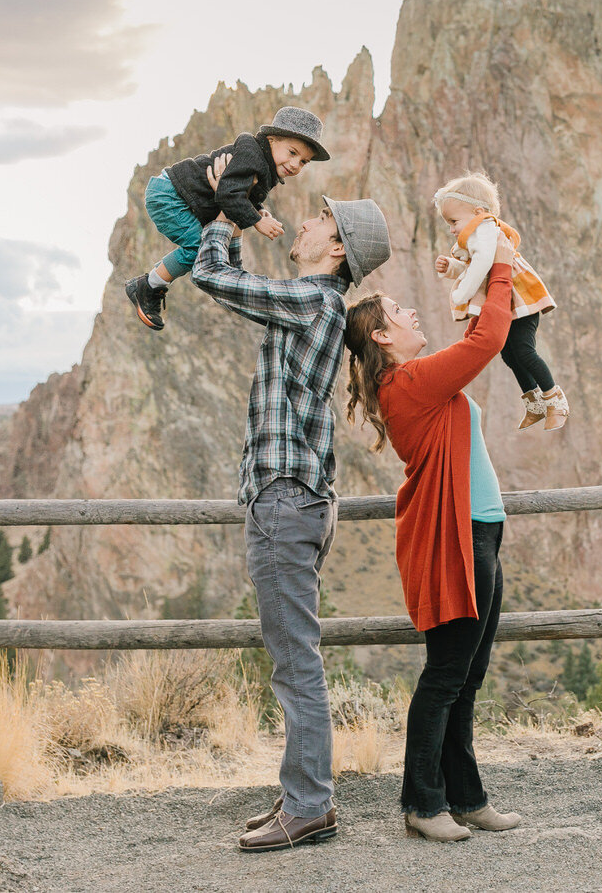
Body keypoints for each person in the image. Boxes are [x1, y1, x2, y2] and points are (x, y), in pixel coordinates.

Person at [192, 186, 392, 853]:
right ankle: (303, 792)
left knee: (295, 663)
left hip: (285, 498)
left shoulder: (314, 298)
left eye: (320, 219)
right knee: (292, 658)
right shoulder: (317, 304)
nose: (304, 220)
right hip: (296, 497)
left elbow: (214, 278)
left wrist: (222, 221)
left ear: (336, 247)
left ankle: (310, 804)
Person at [340, 229, 524, 842]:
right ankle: (423, 804)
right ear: (381, 337)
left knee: (466, 675)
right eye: (398, 311)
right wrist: (500, 267)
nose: (411, 312)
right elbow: (489, 338)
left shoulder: (415, 378)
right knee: (446, 674)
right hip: (457, 537)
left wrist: (472, 272)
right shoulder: (409, 383)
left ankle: (465, 797)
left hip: (482, 531)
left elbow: (478, 333)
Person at [124, 106, 330, 330]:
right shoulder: (252, 156)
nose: (295, 165)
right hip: (170, 195)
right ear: (271, 140)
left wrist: (257, 209)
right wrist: (257, 221)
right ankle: (148, 285)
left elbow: (238, 190)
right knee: (198, 250)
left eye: (303, 162)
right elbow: (228, 193)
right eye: (292, 153)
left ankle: (151, 283)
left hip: (177, 195)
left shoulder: (265, 164)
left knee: (201, 251)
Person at [431, 171, 567, 430]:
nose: (451, 229)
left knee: (524, 351)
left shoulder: (485, 229)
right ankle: (534, 403)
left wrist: (461, 293)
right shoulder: (478, 235)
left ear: (478, 212)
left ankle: (554, 399)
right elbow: (479, 269)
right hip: (509, 303)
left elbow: (481, 266)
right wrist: (452, 267)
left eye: (454, 221)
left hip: (521, 302)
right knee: (509, 352)